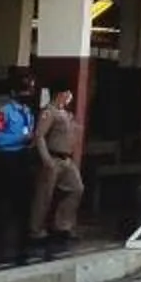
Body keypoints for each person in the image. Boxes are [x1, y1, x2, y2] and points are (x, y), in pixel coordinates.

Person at [0, 79, 37, 257]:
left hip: (23, 157)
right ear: (14, 93)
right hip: (5, 158)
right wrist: (18, 139)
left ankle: (22, 237)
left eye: (29, 91)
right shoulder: (3, 113)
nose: (27, 95)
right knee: (3, 198)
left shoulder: (28, 112)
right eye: (24, 91)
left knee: (24, 199)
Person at [28, 83, 82, 249]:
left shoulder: (66, 113)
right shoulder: (49, 112)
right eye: (67, 93)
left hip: (67, 159)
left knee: (76, 188)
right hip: (53, 157)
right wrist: (46, 159)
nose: (69, 96)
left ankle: (62, 226)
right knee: (44, 196)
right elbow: (39, 136)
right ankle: (36, 231)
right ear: (60, 94)